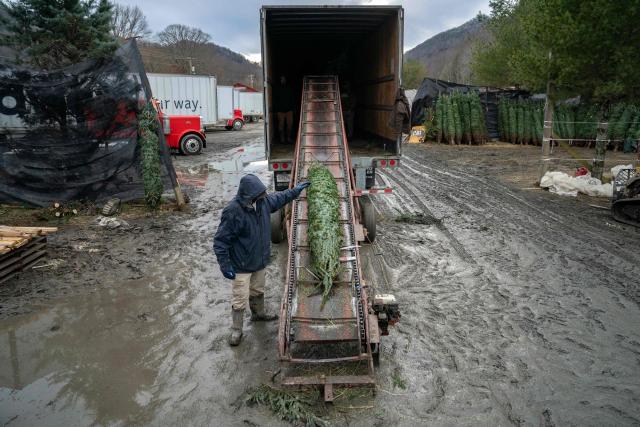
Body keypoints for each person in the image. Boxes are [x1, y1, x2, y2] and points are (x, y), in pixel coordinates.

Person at [213, 174, 311, 346]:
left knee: (257, 289)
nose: (262, 197)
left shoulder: (263, 203)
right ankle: (237, 329)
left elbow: (280, 198)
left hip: (259, 260)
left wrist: (295, 191)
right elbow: (221, 241)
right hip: (241, 265)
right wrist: (225, 265)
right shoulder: (233, 211)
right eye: (258, 195)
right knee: (240, 297)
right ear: (248, 195)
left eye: (262, 194)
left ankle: (258, 314)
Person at [273, 76, 295, 144]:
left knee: (290, 125)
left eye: (283, 79)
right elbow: (275, 100)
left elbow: (292, 99)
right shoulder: (277, 89)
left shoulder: (289, 88)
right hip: (280, 111)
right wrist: (276, 111)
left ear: (285, 80)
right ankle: (282, 139)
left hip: (289, 110)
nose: (282, 80)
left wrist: (293, 109)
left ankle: (288, 138)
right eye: (281, 79)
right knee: (281, 126)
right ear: (280, 80)